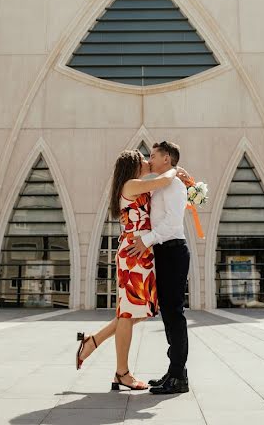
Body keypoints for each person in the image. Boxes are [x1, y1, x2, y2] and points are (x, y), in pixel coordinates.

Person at [73, 149, 190, 392]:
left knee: (139, 311)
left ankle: (92, 342)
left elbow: (163, 190)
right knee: (128, 313)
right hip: (133, 253)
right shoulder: (130, 185)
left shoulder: (138, 185)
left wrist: (183, 182)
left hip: (142, 252)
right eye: (143, 159)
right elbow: (165, 180)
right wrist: (176, 170)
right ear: (134, 166)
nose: (148, 161)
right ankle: (121, 373)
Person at [127, 141, 192, 395]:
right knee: (168, 312)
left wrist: (146, 240)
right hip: (164, 252)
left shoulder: (175, 185)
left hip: (174, 250)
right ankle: (175, 370)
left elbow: (173, 222)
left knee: (175, 313)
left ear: (167, 158)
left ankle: (178, 376)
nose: (149, 159)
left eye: (153, 155)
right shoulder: (164, 183)